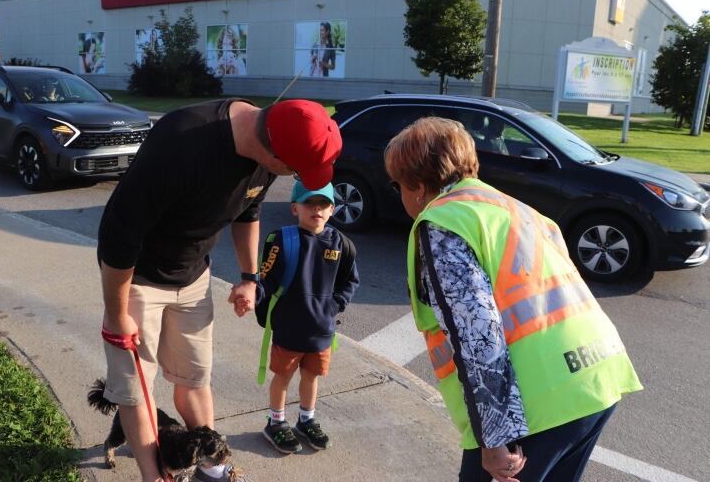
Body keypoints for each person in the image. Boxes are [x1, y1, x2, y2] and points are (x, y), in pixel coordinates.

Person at [383, 116, 642, 482]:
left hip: (538, 402)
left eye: (398, 186)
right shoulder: (517, 209)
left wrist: (493, 438)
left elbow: (476, 335)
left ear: (420, 186)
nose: (401, 195)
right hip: (597, 375)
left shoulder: (444, 223)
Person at [97, 98, 342, 482]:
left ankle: (212, 472)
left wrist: (249, 275)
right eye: (296, 169)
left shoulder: (272, 149)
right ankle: (154, 476)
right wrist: (117, 313)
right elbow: (118, 236)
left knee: (194, 379)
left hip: (194, 278)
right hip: (138, 277)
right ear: (273, 151)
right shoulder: (182, 142)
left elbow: (249, 210)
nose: (295, 176)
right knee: (137, 389)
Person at [253, 180, 359, 454]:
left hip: (321, 329)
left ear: (333, 209)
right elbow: (266, 278)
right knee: (283, 377)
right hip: (289, 328)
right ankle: (275, 422)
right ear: (294, 208)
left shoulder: (342, 244)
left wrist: (335, 305)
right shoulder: (282, 240)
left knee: (311, 377)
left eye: (323, 204)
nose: (317, 209)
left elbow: (350, 280)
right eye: (309, 203)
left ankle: (306, 419)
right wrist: (252, 295)